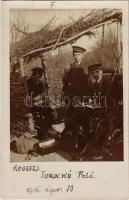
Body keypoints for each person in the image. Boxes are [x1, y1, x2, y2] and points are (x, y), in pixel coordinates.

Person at [27, 67, 54, 140]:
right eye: (36, 76)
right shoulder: (27, 83)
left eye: (39, 77)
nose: (37, 79)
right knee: (38, 116)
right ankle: (42, 134)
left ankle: (47, 130)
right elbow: (27, 96)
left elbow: (43, 94)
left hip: (40, 104)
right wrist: (33, 99)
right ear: (33, 75)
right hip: (30, 105)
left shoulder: (41, 83)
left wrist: (41, 97)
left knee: (50, 112)